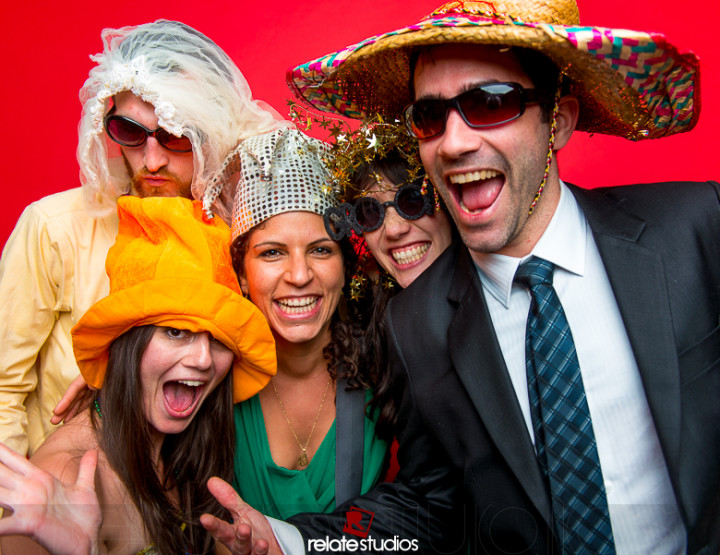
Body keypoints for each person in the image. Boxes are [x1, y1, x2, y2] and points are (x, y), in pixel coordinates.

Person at [244, 0, 718, 553]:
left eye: (490, 104)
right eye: (430, 117)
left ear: (557, 121)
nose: (453, 142)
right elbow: (428, 506)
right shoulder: (414, 325)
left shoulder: (693, 228)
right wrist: (296, 541)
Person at [0, 20, 290, 456]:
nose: (151, 161)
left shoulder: (241, 229)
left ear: (211, 132)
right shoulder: (54, 227)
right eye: (131, 133)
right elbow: (3, 391)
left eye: (175, 136)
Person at [0, 196, 276, 554]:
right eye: (176, 332)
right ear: (126, 343)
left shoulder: (185, 451)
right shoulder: (65, 480)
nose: (204, 360)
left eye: (220, 340)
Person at [200, 128, 389, 524]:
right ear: (243, 275)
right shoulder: (205, 375)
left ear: (346, 268)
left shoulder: (388, 367)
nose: (299, 275)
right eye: (272, 253)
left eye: (321, 250)